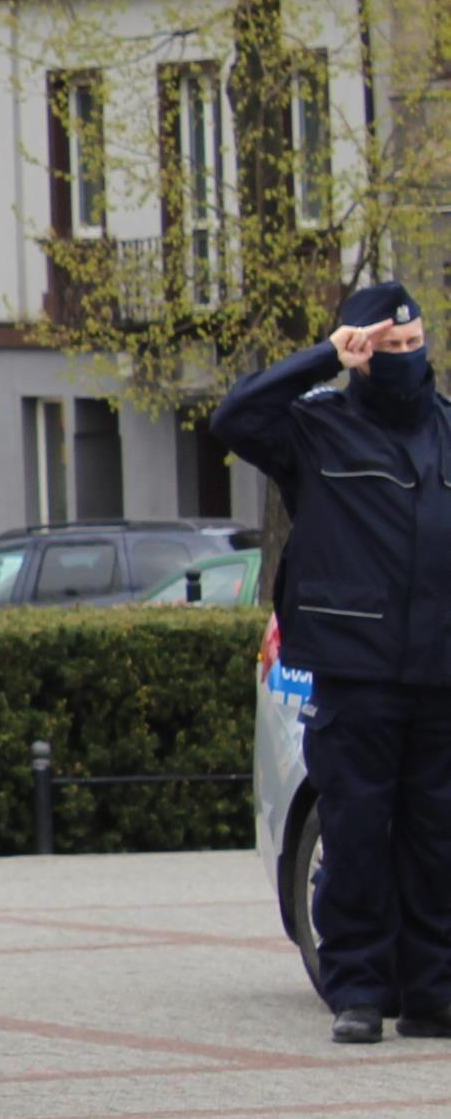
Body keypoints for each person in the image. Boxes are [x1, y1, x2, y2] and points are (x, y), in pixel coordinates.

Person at [214, 281, 451, 1044]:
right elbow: (234, 416)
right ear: (357, 353)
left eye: (415, 348)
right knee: (353, 833)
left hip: (440, 675)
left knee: (436, 840)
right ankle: (356, 988)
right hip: (354, 672)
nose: (407, 362)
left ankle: (432, 993)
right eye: (388, 350)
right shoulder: (315, 430)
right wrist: (320, 359)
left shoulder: (448, 429)